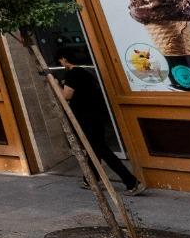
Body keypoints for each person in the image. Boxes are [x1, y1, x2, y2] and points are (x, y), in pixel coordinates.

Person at [55, 48, 143, 194]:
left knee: (101, 149)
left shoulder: (73, 73)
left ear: (64, 59)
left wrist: (56, 84)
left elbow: (66, 96)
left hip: (86, 118)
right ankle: (90, 179)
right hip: (96, 116)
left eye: (60, 61)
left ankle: (131, 182)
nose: (61, 64)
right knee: (94, 148)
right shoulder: (86, 73)